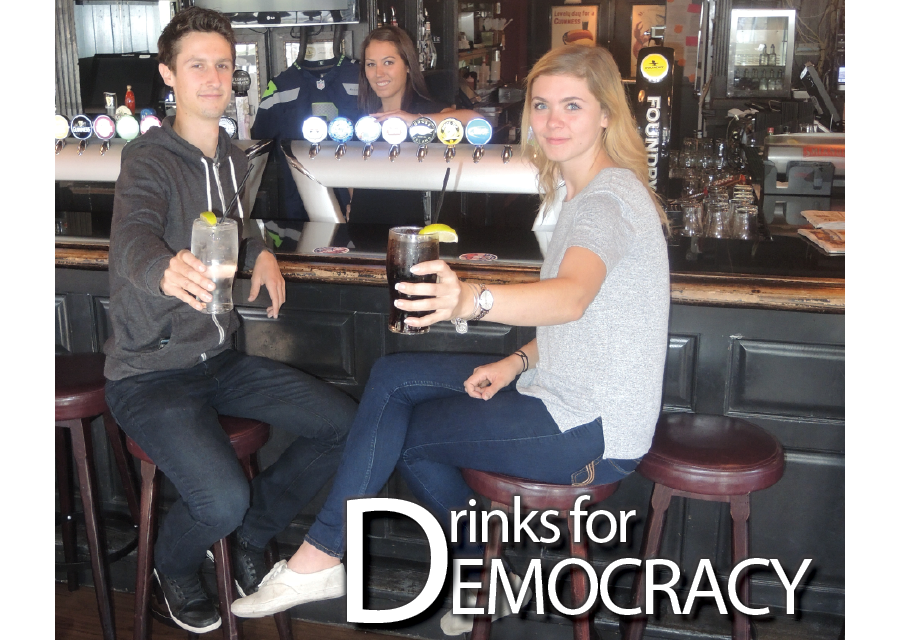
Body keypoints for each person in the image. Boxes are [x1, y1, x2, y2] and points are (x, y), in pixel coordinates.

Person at [231, 44, 671, 635]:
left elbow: (572, 298)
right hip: (561, 392)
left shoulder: (606, 200)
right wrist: (516, 360)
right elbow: (590, 325)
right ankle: (464, 573)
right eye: (542, 105)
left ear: (607, 116)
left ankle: (329, 556)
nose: (553, 120)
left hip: (591, 428)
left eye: (572, 105)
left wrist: (471, 300)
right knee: (393, 380)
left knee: (407, 435)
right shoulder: (584, 192)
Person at [103, 8, 356, 634]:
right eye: (197, 65)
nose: (213, 77)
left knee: (344, 426)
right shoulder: (150, 158)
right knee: (220, 497)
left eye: (222, 64)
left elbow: (236, 224)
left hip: (218, 361)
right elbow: (132, 232)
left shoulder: (235, 157)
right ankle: (173, 562)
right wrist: (161, 268)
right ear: (169, 75)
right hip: (149, 373)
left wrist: (262, 247)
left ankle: (253, 536)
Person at [347, 26, 480, 224]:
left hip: (415, 233)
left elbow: (477, 121)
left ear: (408, 65)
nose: (378, 73)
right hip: (366, 227)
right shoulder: (364, 121)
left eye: (388, 62)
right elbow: (351, 173)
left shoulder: (425, 113)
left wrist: (416, 120)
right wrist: (352, 202)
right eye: (371, 64)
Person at [251, 25, 361, 219]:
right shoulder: (279, 86)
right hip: (300, 199)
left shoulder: (364, 78)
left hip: (357, 197)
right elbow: (257, 143)